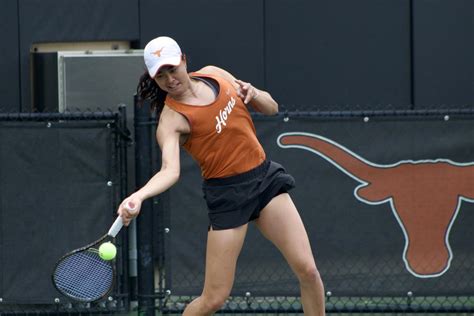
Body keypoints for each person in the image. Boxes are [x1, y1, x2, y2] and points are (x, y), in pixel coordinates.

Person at [117, 36, 326, 316]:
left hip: (265, 179)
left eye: (172, 69)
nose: (169, 79)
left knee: (309, 271)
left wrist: (254, 92)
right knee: (214, 299)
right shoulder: (172, 120)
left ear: (183, 60)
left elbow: (272, 107)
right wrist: (139, 195)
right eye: (160, 75)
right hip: (228, 195)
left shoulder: (216, 74)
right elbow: (170, 171)